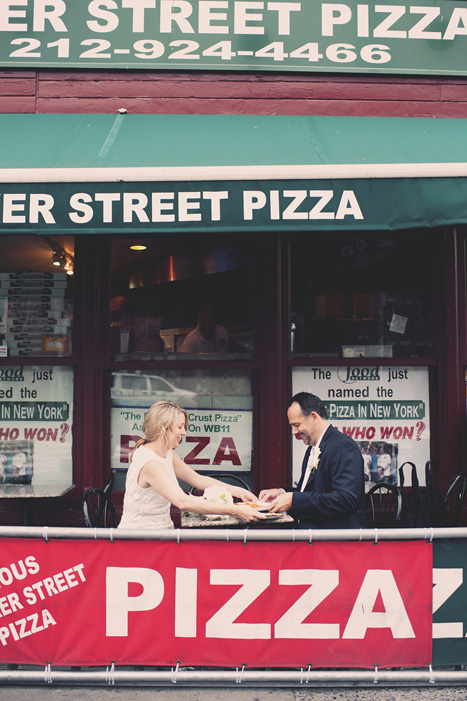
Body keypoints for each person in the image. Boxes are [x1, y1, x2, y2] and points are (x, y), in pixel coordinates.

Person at [118, 400, 265, 529]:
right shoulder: (150, 462)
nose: (184, 432)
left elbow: (197, 480)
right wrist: (234, 510)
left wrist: (240, 492)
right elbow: (182, 502)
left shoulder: (166, 452)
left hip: (159, 534)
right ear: (161, 427)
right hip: (139, 539)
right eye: (180, 427)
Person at [259, 392, 366, 529]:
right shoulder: (313, 448)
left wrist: (294, 500)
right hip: (312, 536)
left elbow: (346, 500)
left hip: (334, 541)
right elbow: (312, 492)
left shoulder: (342, 446)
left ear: (314, 417)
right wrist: (282, 493)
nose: (293, 431)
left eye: (297, 424)